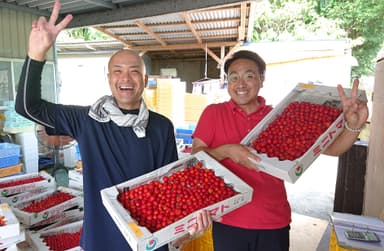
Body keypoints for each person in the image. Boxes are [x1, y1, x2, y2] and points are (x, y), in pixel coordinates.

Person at [15, 1, 210, 250]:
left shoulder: (161, 127)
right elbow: (27, 107)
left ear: (145, 80)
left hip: (149, 240)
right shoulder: (87, 120)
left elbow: (170, 186)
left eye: (134, 71)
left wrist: (188, 223)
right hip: (101, 240)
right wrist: (36, 54)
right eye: (117, 71)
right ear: (109, 79)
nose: (125, 78)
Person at [191, 49, 369, 251]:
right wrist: (228, 151)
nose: (241, 84)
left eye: (249, 76)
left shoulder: (278, 116)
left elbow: (332, 149)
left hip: (273, 222)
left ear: (261, 79)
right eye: (234, 77)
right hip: (229, 220)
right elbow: (196, 156)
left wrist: (353, 125)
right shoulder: (214, 113)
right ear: (228, 83)